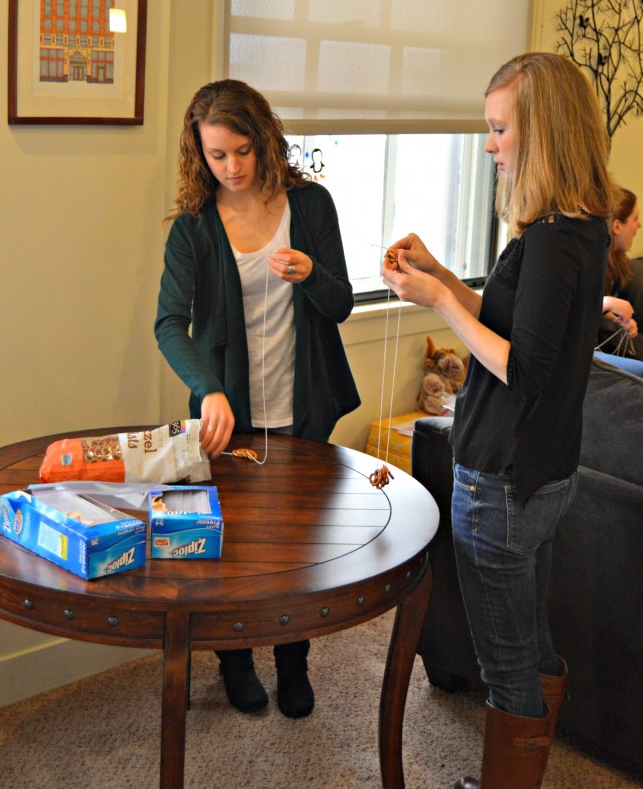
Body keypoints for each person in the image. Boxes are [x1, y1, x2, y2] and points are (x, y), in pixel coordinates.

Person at [382, 52, 613, 789]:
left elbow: (522, 368)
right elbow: (521, 329)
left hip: (501, 480)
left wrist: (438, 304)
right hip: (541, 473)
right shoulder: (577, 228)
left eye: (497, 128)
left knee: (504, 663)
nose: (488, 144)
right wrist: (443, 277)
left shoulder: (548, 240)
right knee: (530, 637)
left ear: (540, 132)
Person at [154, 78, 360, 719]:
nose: (233, 167)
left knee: (298, 548)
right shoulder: (194, 227)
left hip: (304, 408)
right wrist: (208, 389)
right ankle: (236, 661)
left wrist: (310, 273)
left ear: (265, 140)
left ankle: (293, 662)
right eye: (218, 155)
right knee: (234, 553)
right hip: (229, 419)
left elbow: (342, 304)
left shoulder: (312, 205)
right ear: (199, 153)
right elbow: (168, 324)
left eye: (242, 150)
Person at [597, 186, 642, 358]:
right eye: (635, 219)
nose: (639, 225)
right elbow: (574, 311)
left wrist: (615, 322)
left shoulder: (616, 263)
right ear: (617, 226)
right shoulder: (591, 261)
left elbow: (595, 317)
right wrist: (607, 303)